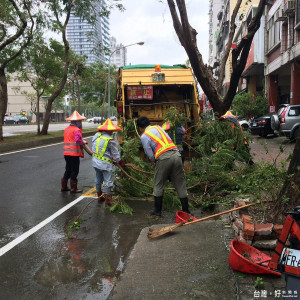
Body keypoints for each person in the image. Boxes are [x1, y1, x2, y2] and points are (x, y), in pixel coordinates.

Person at [136, 116, 190, 216]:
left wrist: (153, 161)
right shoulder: (159, 128)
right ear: (149, 123)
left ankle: (157, 211)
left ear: (140, 128)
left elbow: (149, 153)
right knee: (180, 183)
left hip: (164, 158)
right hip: (176, 155)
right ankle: (186, 210)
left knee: (158, 184)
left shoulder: (144, 136)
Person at [91, 118, 125, 206]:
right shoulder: (110, 140)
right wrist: (120, 162)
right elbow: (115, 154)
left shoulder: (96, 135)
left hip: (95, 162)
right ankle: (108, 200)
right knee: (108, 181)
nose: (112, 131)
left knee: (98, 179)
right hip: (105, 164)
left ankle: (99, 197)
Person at [61, 110, 88, 193]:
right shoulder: (76, 130)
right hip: (74, 154)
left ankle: (64, 187)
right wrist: (83, 142)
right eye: (80, 121)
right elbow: (77, 140)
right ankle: (73, 188)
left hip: (66, 153)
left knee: (68, 170)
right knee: (74, 170)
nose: (81, 123)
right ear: (77, 122)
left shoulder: (66, 129)